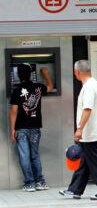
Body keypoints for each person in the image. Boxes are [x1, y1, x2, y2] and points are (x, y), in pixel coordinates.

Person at [60, 60, 97, 200]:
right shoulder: (93, 84)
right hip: (90, 132)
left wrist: (79, 129)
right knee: (84, 162)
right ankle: (75, 189)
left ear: (77, 72)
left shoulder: (89, 87)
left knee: (96, 163)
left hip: (91, 132)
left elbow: (87, 109)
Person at [9, 63, 53, 192]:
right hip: (35, 128)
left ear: (18, 75)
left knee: (24, 156)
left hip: (21, 129)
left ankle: (29, 183)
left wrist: (12, 129)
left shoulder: (16, 91)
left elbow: (13, 111)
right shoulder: (38, 87)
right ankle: (40, 182)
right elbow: (50, 87)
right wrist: (46, 74)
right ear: (30, 74)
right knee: (34, 155)